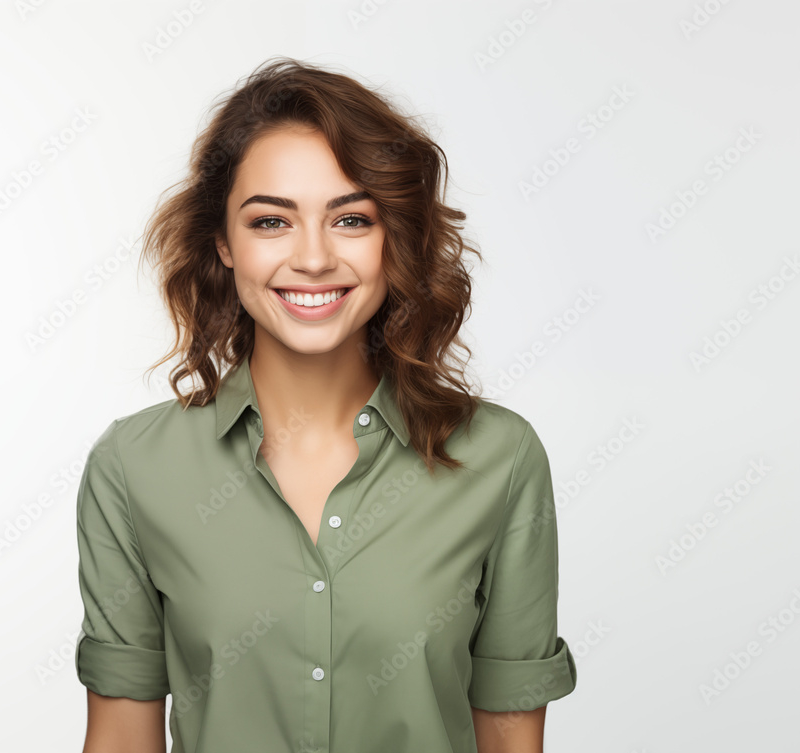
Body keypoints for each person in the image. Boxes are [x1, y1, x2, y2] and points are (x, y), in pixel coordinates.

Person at [74, 56, 577, 753]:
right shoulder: (134, 469)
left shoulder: (499, 458)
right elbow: (122, 739)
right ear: (223, 242)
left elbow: (510, 738)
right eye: (271, 222)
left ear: (391, 239)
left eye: (350, 218)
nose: (313, 259)